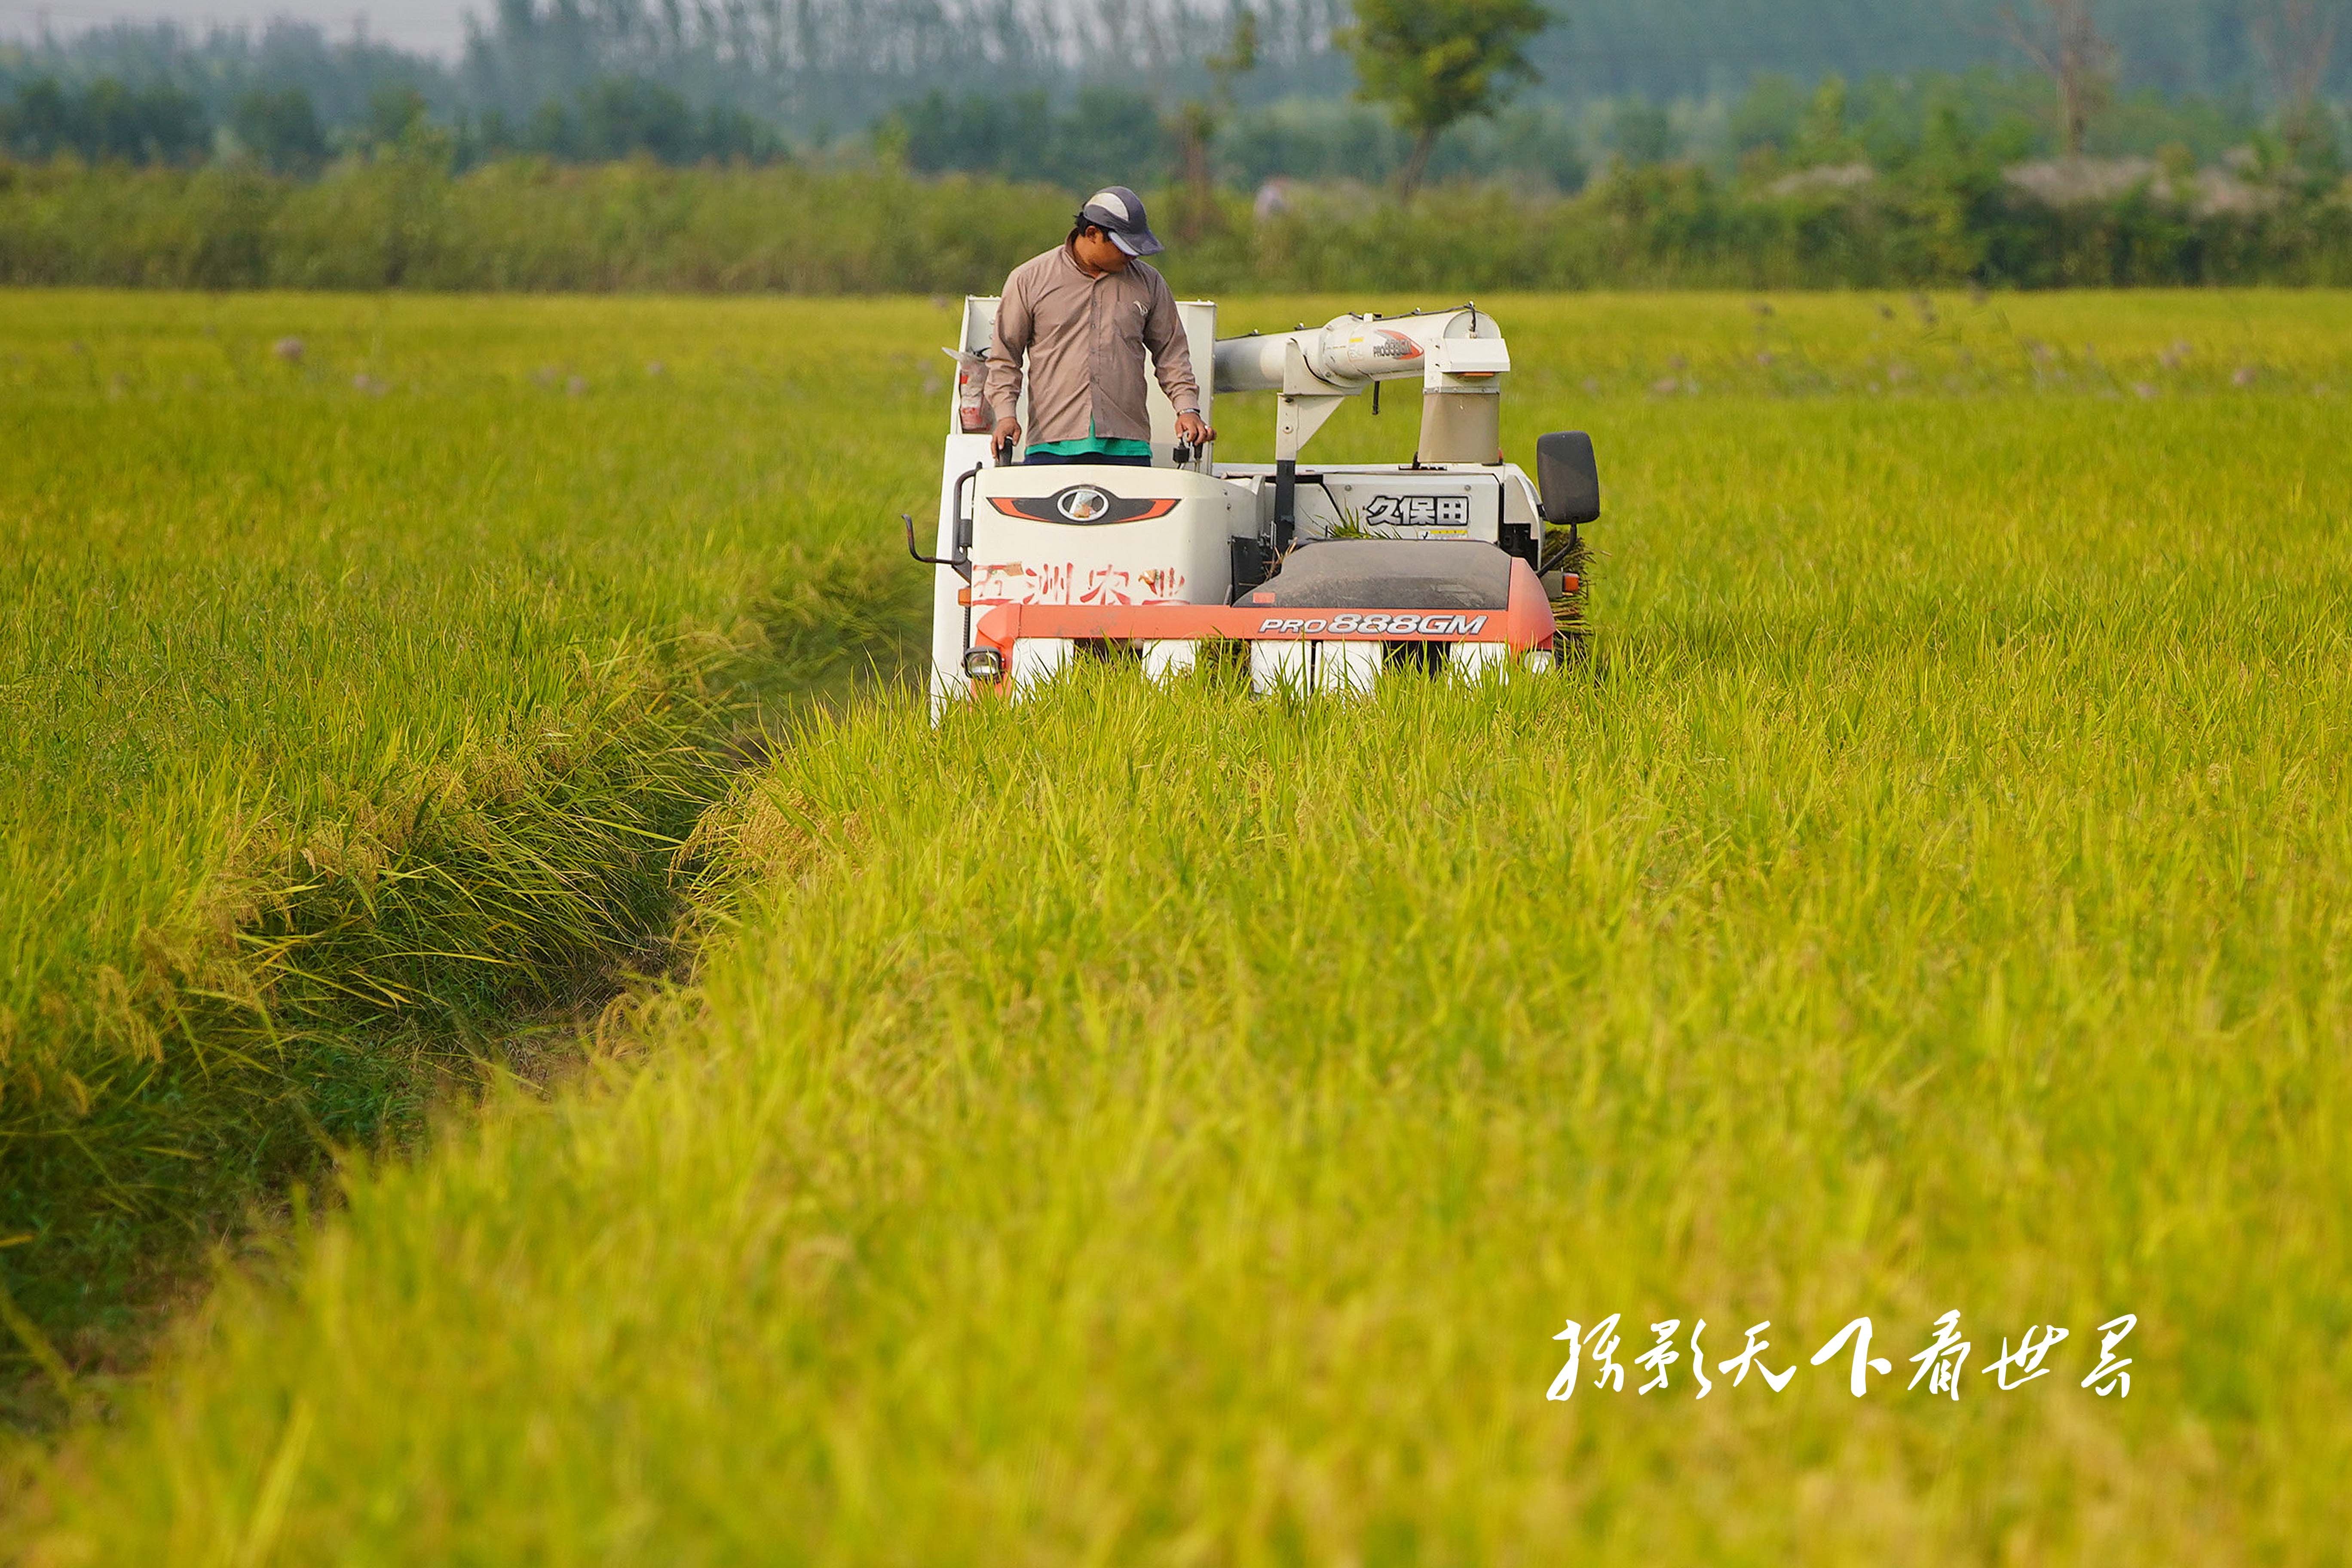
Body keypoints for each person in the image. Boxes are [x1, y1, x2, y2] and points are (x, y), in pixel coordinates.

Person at [986, 186, 1216, 468]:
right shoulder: (1029, 280)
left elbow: (1172, 355)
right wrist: (1006, 416)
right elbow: (1004, 358)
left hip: (1128, 448)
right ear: (1093, 234)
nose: (1132, 257)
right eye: (1124, 248)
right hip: (1053, 444)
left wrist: (1188, 409)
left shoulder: (1150, 284)